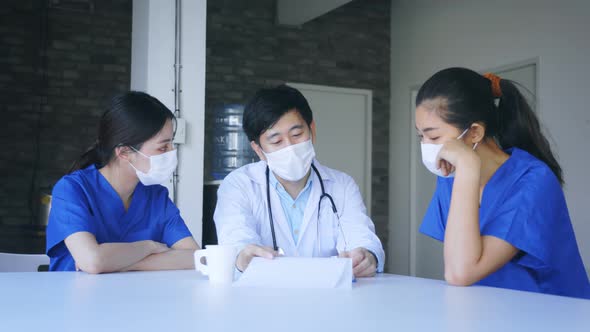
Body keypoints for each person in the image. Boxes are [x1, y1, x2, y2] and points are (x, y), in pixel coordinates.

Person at [416, 67, 590, 298]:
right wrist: (466, 169)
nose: (428, 146)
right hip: (487, 310)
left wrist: (469, 166)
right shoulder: (451, 178)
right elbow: (457, 267)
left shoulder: (532, 180)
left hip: (549, 315)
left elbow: (461, 273)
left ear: (475, 132)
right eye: (421, 137)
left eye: (434, 137)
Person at [214, 85, 384, 277]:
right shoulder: (239, 185)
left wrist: (367, 257)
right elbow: (236, 240)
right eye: (276, 141)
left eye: (296, 135)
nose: (290, 147)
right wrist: (243, 256)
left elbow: (361, 238)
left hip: (329, 298)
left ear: (312, 130)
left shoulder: (342, 185)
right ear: (258, 150)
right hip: (263, 298)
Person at [46, 91, 199, 273]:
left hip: (134, 299)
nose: (172, 152)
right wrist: (149, 247)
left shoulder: (156, 196)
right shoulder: (72, 189)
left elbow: (195, 256)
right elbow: (93, 261)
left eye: (172, 144)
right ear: (124, 152)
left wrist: (117, 263)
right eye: (163, 147)